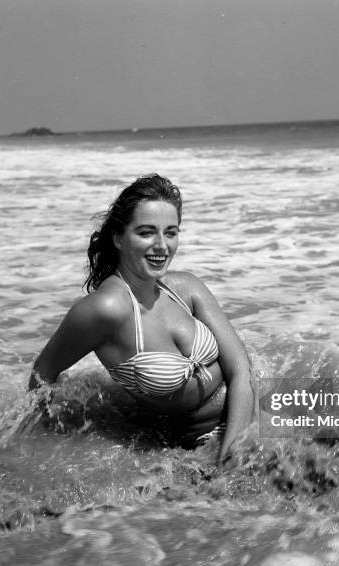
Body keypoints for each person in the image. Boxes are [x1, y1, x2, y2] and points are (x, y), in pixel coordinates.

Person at [28, 174, 254, 465]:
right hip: (200, 442)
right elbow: (43, 372)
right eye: (147, 232)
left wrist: (232, 456)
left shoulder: (186, 287)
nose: (162, 245)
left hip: (249, 419)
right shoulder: (105, 309)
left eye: (171, 232)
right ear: (119, 238)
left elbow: (242, 369)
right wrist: (42, 443)